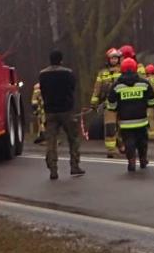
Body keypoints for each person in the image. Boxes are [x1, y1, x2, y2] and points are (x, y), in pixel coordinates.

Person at [38, 49, 84, 180]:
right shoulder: (68, 73)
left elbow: (42, 90)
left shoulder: (43, 74)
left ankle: (53, 169)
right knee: (73, 138)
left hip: (50, 111)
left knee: (51, 142)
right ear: (61, 60)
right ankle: (74, 166)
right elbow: (72, 88)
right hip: (66, 110)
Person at [109, 58, 153, 172]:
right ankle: (143, 160)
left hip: (125, 122)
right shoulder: (144, 84)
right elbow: (152, 101)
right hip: (142, 120)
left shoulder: (116, 86)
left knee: (129, 141)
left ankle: (131, 162)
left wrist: (114, 108)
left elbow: (111, 105)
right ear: (135, 69)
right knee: (142, 140)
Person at [90, 48, 123, 158]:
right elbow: (97, 88)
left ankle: (121, 145)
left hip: (122, 103)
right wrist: (94, 102)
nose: (114, 60)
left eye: (115, 58)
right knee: (110, 126)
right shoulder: (102, 73)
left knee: (122, 126)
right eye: (112, 58)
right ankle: (111, 150)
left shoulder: (122, 70)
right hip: (108, 104)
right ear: (108, 59)